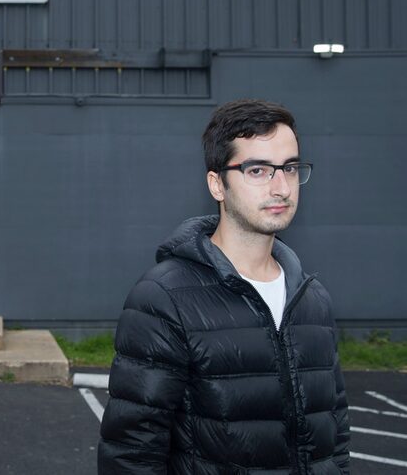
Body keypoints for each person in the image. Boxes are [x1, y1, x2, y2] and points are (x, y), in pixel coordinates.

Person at [98, 99, 350, 474]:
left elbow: (336, 441)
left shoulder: (312, 299)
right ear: (217, 184)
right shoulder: (164, 298)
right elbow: (132, 456)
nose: (281, 187)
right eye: (258, 170)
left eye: (291, 168)